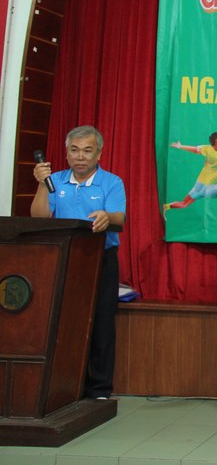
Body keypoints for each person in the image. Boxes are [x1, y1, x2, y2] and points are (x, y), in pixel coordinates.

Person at [31, 125, 125, 400]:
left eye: (87, 151)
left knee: (101, 324)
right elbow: (39, 217)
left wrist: (106, 216)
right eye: (74, 150)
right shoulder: (55, 181)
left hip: (100, 261)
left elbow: (119, 218)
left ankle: (99, 390)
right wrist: (41, 184)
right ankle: (65, 386)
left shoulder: (111, 182)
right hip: (62, 261)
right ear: (67, 153)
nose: (80, 156)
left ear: (98, 153)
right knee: (64, 323)